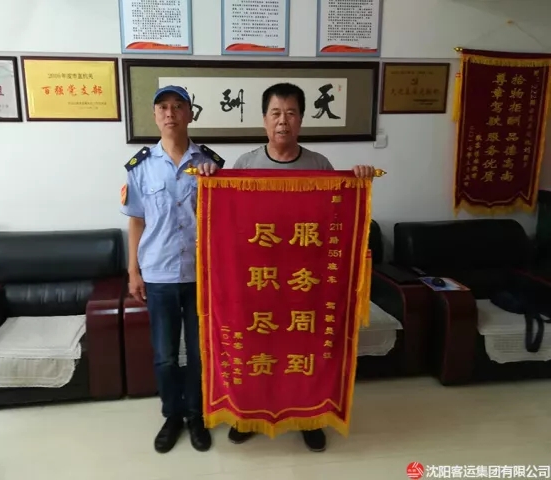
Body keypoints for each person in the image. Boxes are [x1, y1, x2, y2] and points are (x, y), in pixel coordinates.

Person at [229, 82, 376, 453]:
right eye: (276, 113)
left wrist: (358, 180)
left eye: (291, 113)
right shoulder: (244, 165)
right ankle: (249, 416)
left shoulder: (319, 165)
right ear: (264, 120)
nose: (283, 121)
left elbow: (335, 221)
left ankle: (310, 418)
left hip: (303, 280)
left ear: (301, 120)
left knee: (303, 351)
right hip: (259, 278)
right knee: (258, 350)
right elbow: (231, 224)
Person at [121, 85, 223, 454]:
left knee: (199, 353)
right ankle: (172, 415)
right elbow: (136, 221)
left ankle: (196, 415)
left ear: (190, 114)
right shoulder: (140, 166)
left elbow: (224, 220)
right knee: (164, 354)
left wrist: (214, 182)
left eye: (178, 106)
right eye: (163, 107)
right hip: (158, 274)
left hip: (201, 275)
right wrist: (133, 272)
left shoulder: (211, 164)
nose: (170, 113)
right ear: (155, 115)